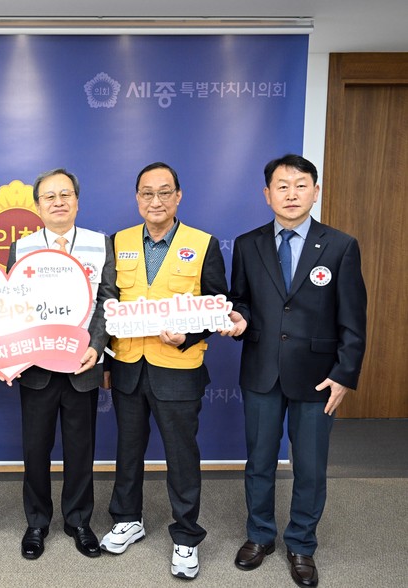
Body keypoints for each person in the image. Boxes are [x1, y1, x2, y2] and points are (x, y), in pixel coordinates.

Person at [225, 154, 366, 587]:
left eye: (300, 185)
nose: (291, 194)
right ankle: (259, 535)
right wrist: (238, 317)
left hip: (319, 375)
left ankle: (302, 544)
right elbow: (241, 299)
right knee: (259, 461)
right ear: (267, 194)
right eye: (282, 186)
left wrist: (344, 374)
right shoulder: (247, 244)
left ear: (315, 191)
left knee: (310, 466)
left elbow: (353, 317)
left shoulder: (340, 245)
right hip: (262, 371)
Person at [100, 162, 228, 581]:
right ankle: (127, 518)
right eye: (147, 193)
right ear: (137, 198)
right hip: (128, 367)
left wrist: (188, 336)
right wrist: (104, 358)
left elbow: (216, 306)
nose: (155, 201)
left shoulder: (203, 243)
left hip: (178, 369)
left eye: (164, 192)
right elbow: (108, 301)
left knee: (181, 455)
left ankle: (187, 536)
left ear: (178, 196)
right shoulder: (118, 241)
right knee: (128, 449)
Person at [6, 168, 116, 561]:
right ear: (38, 206)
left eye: (65, 194)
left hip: (82, 365)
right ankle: (37, 521)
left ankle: (79, 521)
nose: (58, 202)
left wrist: (97, 346)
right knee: (35, 450)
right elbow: (12, 304)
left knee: (80, 449)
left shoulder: (99, 244)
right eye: (49, 196)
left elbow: (108, 299)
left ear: (77, 202)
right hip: (37, 368)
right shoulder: (22, 247)